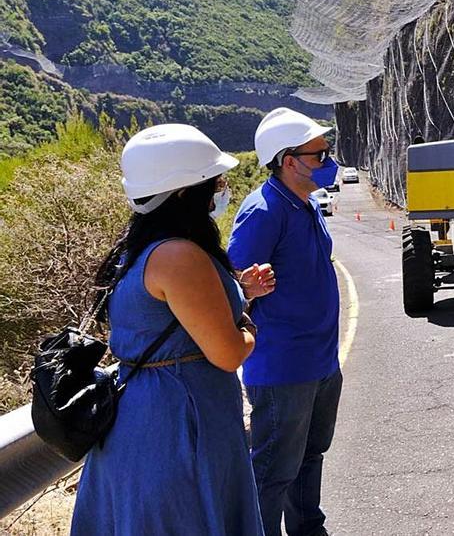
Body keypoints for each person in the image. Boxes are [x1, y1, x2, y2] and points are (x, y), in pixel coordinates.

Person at [72, 124, 275, 535]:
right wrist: (246, 324)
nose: (221, 189)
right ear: (184, 192)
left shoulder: (142, 248)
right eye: (215, 182)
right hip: (180, 424)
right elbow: (229, 352)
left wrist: (237, 295)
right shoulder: (179, 255)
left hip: (149, 418)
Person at [229, 108, 342, 536]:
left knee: (310, 455)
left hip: (320, 362)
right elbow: (232, 282)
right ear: (288, 160)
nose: (327, 162)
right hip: (283, 368)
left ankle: (308, 529)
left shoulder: (306, 203)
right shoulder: (264, 210)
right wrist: (245, 285)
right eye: (318, 155)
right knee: (274, 470)